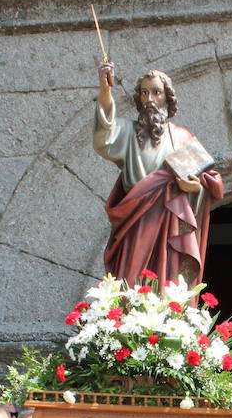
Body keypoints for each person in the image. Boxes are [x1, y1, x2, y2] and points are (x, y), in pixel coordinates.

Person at [93, 62, 224, 286]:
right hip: (136, 221)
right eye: (145, 93)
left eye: (156, 92)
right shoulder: (128, 132)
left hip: (170, 221)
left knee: (166, 281)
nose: (150, 99)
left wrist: (194, 188)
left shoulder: (182, 138)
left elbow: (210, 181)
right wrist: (105, 91)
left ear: (167, 98)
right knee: (131, 281)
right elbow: (105, 133)